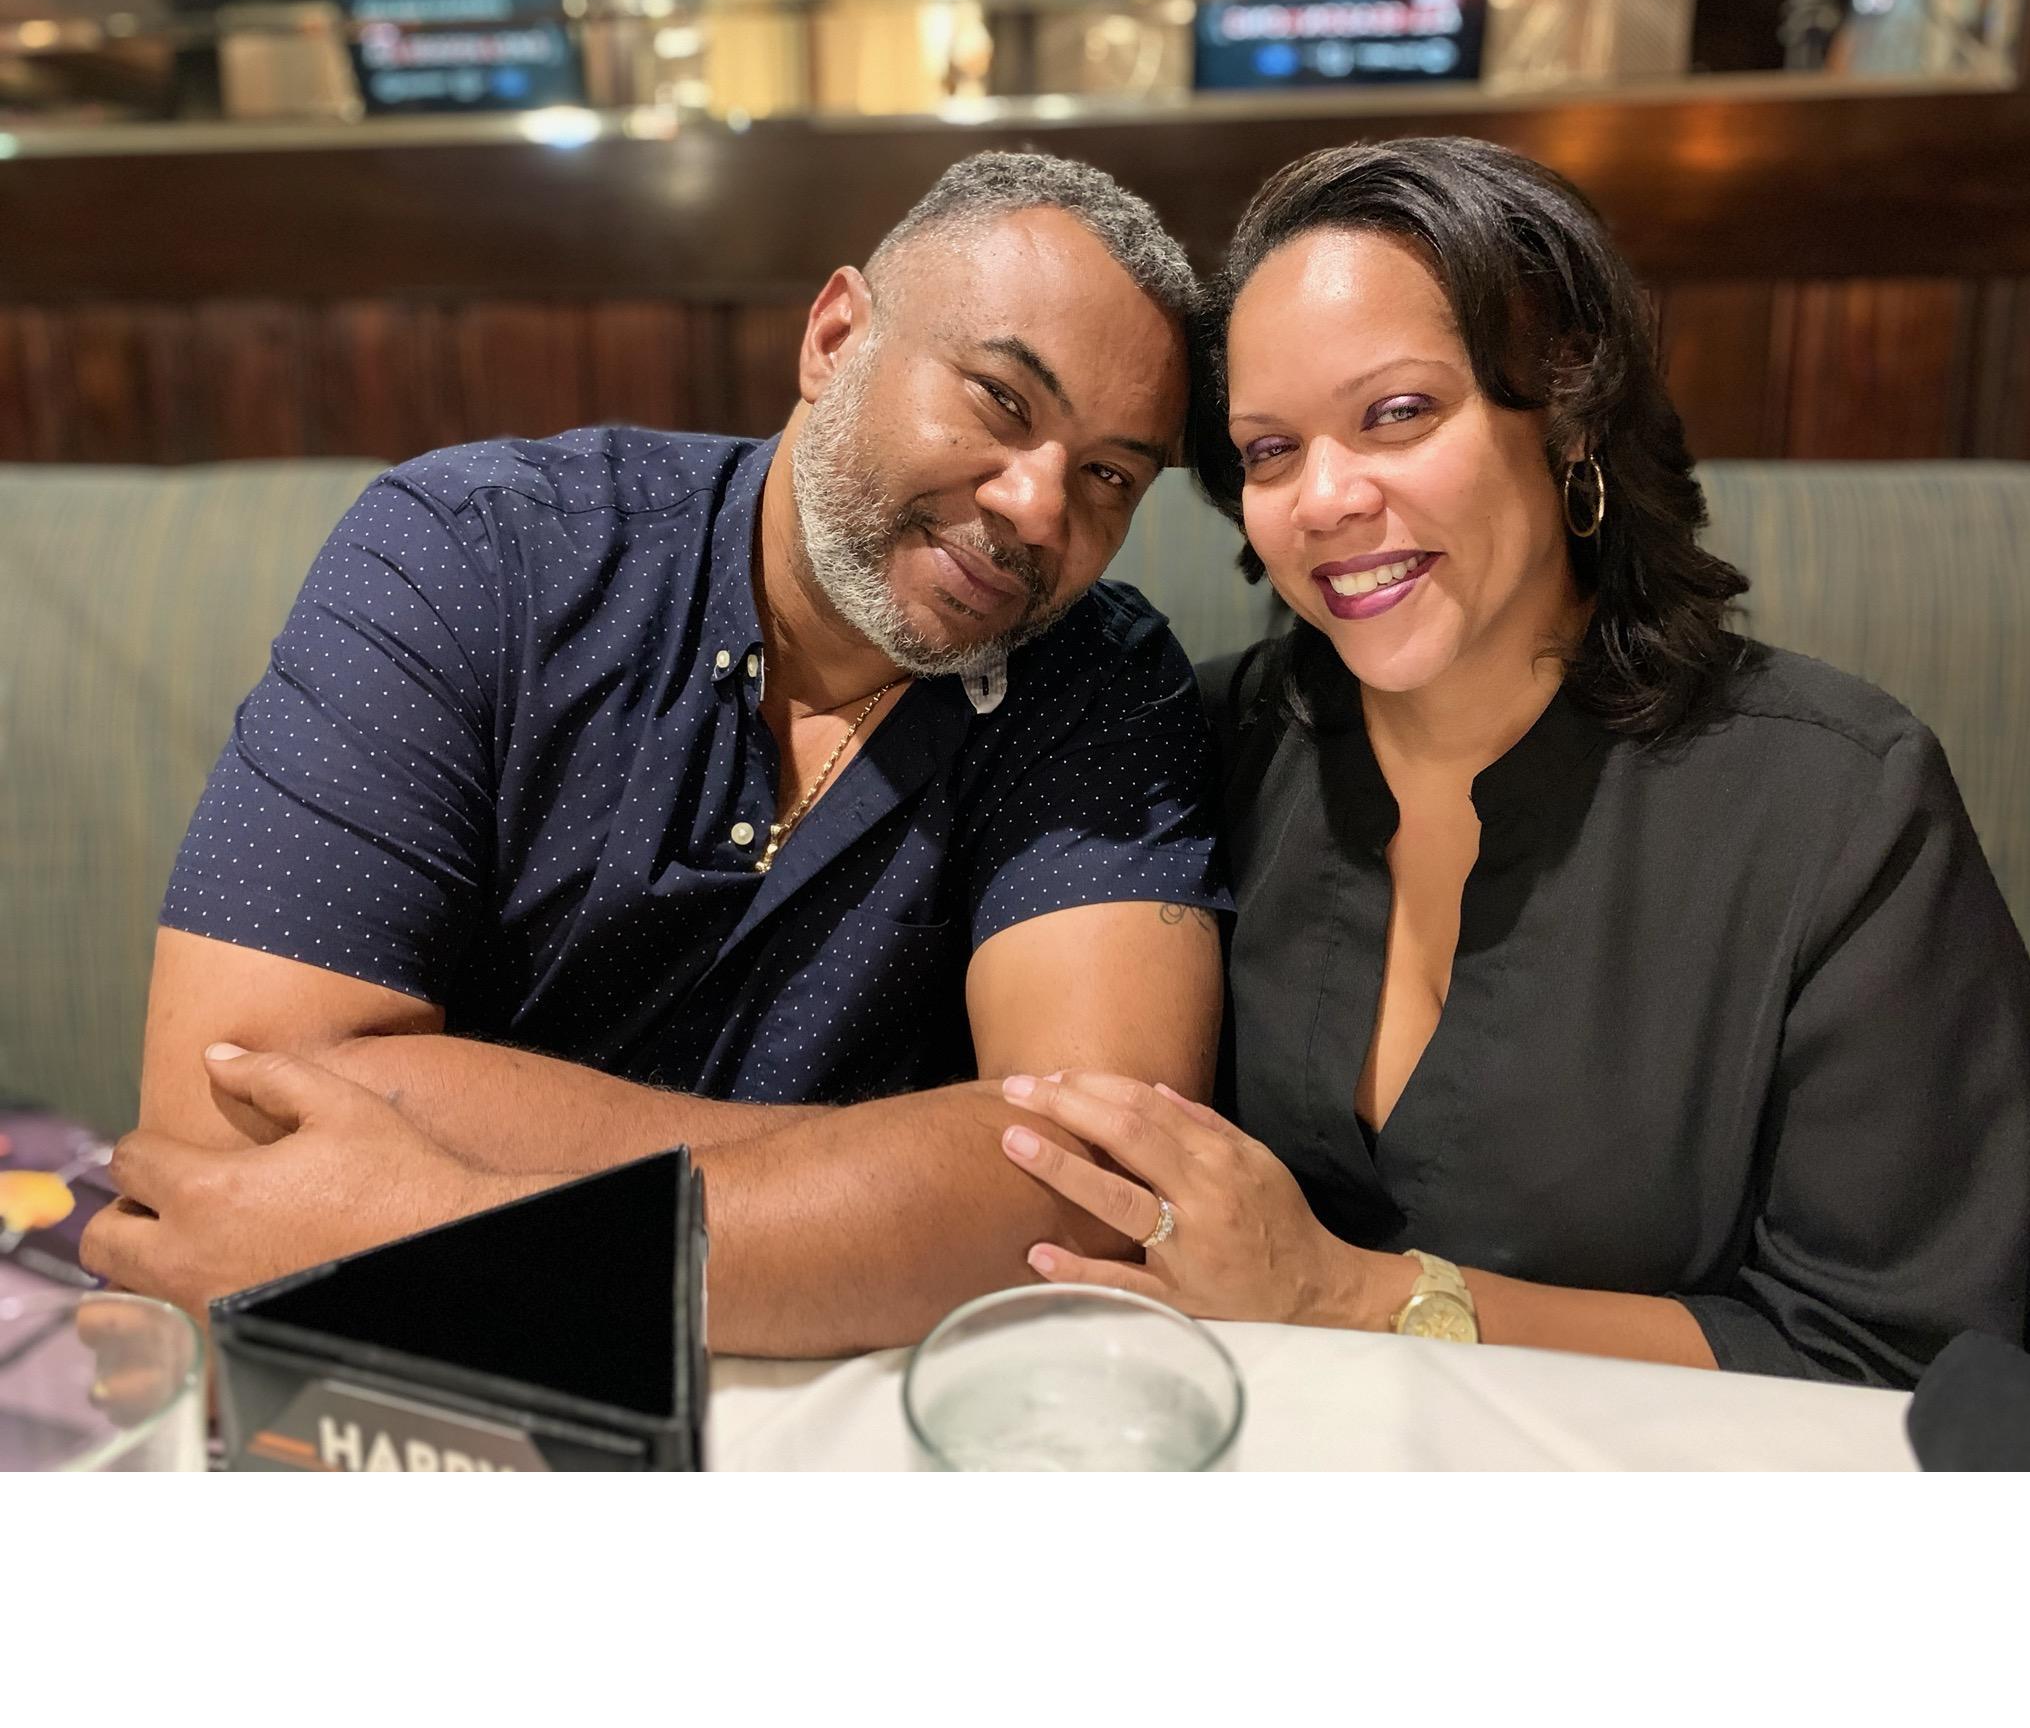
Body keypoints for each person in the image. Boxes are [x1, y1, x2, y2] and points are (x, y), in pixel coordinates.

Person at [80, 151, 1230, 1356]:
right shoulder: (477, 556)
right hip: (410, 1397)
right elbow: (231, 1121)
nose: (1038, 508)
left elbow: (1096, 1184)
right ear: (835, 337)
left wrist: (430, 1230)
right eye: (1000, 400)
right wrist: (907, 1179)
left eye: (1108, 474)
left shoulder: (1096, 685)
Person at [996, 135, 2030, 1389]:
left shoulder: (1838, 804)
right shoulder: (1188, 747)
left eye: (1396, 413)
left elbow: (1895, 1354)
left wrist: (1352, 1295)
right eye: (1269, 449)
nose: (1322, 498)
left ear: (1567, 414)